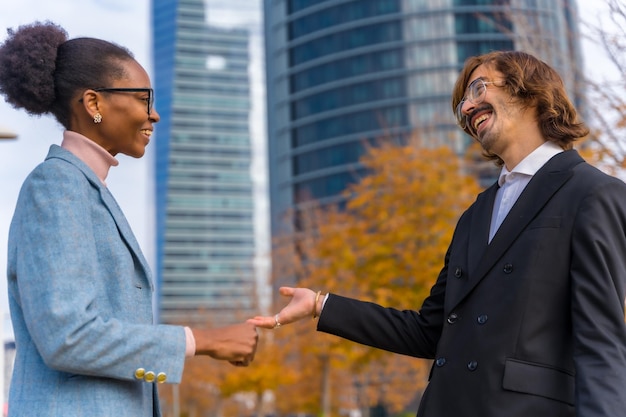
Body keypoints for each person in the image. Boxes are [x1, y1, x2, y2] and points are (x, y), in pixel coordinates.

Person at [249, 50, 626, 416]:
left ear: (531, 91)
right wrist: (322, 304)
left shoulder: (592, 193)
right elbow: (430, 332)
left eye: (479, 89)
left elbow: (601, 343)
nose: (466, 107)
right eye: (463, 101)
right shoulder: (475, 214)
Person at [0, 22, 258, 417]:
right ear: (94, 103)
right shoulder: (55, 186)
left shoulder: (86, 189)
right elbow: (67, 335)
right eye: (142, 99)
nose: (154, 115)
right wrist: (201, 340)